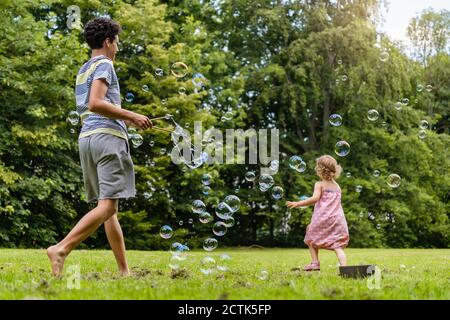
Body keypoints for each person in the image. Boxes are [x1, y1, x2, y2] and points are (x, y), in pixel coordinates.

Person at [47, 17, 152, 277]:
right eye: (116, 42)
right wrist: (132, 116)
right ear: (107, 41)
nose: (117, 48)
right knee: (108, 207)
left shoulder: (84, 68)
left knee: (108, 210)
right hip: (107, 138)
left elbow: (89, 105)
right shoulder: (105, 64)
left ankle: (124, 271)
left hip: (88, 139)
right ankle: (61, 248)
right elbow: (95, 102)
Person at [286, 155, 349, 271]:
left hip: (323, 217)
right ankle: (345, 268)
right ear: (335, 170)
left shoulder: (319, 184)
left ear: (319, 170)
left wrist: (298, 203)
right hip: (338, 219)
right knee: (338, 245)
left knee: (310, 235)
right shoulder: (337, 186)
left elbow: (315, 199)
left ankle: (315, 263)